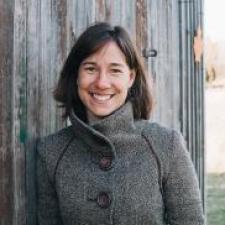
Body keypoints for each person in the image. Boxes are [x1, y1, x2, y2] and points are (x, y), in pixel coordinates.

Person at [36, 22, 205, 225]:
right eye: (90, 69)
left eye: (115, 70)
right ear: (76, 76)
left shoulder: (166, 145)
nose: (101, 82)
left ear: (131, 77)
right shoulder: (51, 153)